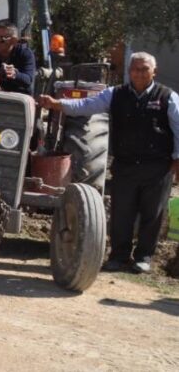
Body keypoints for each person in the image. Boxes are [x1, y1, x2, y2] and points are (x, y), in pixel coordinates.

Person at [38, 52, 179, 274]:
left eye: (144, 69)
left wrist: (178, 159)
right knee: (122, 213)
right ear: (129, 71)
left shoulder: (167, 97)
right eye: (135, 69)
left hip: (158, 168)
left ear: (154, 71)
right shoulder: (115, 94)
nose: (139, 73)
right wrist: (58, 104)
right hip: (125, 165)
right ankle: (118, 257)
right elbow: (85, 105)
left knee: (152, 214)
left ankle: (143, 258)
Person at [0, 20, 36, 94]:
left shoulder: (25, 53)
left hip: (16, 98)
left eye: (1, 39)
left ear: (13, 41)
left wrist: (14, 74)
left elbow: (28, 80)